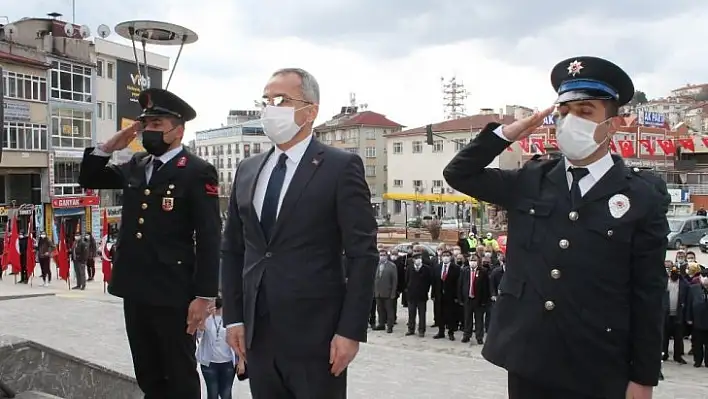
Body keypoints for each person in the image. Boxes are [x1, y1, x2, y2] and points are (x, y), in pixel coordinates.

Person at [443, 56, 669, 399]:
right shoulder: (532, 179)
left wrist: (643, 377)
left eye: (585, 111)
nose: (570, 122)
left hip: (598, 362)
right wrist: (506, 134)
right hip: (531, 357)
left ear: (613, 124)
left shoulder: (640, 195)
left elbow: (648, 294)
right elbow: (459, 173)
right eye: (563, 113)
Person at [221, 68, 377, 398]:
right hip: (258, 335)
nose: (269, 108)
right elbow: (234, 249)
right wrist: (233, 319)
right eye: (265, 100)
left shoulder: (340, 167)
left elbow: (363, 254)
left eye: (281, 100)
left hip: (317, 337)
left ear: (311, 111)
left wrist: (350, 331)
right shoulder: (248, 170)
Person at [77, 88, 221, 399]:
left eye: (157, 124)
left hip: (173, 291)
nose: (149, 131)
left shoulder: (196, 171)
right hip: (136, 287)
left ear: (178, 130)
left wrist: (205, 295)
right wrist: (112, 144)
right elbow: (90, 177)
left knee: (179, 373)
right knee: (148, 371)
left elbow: (210, 236)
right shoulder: (137, 164)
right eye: (146, 124)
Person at [197, 297, 246, 399]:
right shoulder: (207, 318)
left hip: (228, 363)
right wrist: (204, 318)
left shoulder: (231, 320)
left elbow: (240, 341)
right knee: (212, 394)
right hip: (209, 364)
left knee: (226, 394)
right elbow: (198, 335)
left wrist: (241, 361)